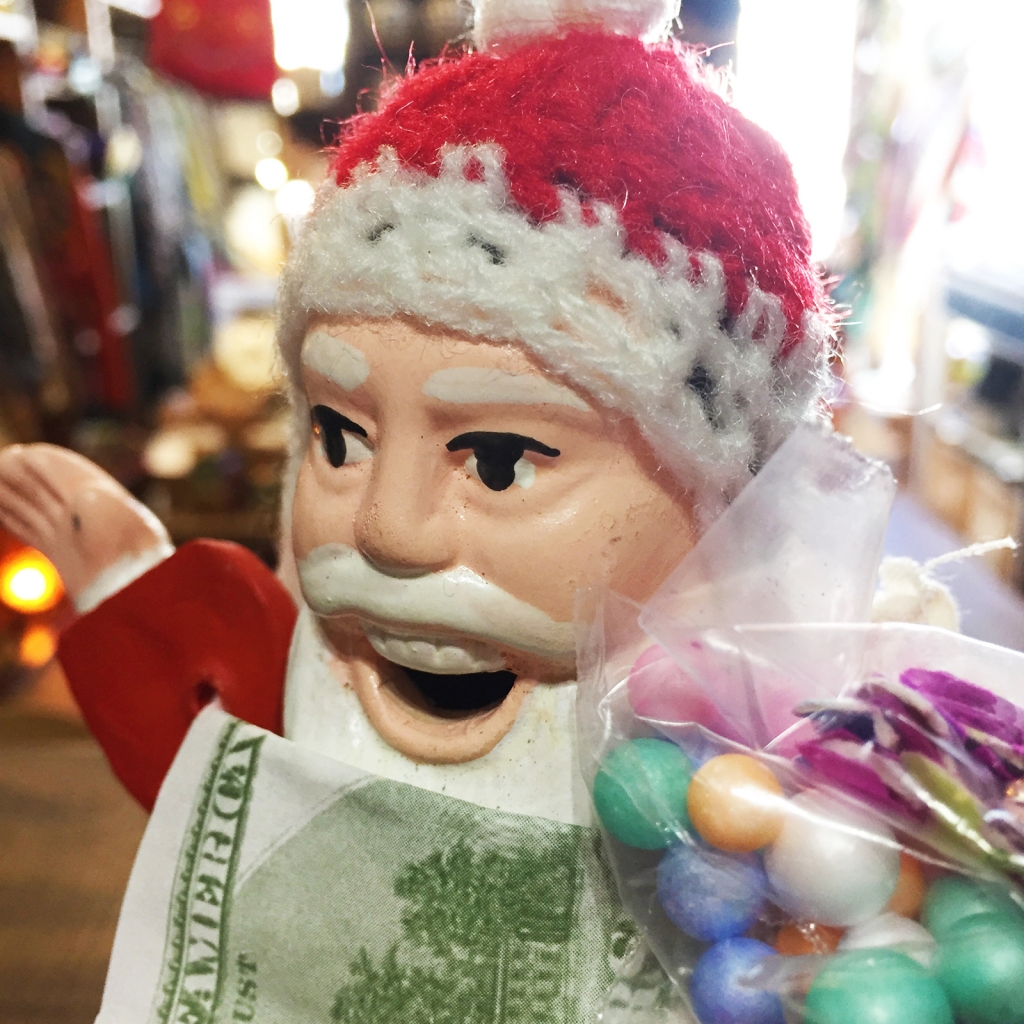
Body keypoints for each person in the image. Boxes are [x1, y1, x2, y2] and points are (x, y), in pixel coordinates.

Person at [0, 0, 833, 1017]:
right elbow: (212, 771)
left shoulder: (744, 756)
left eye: (497, 460)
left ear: (733, 505)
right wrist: (128, 580)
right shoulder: (317, 667)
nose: (387, 529)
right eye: (338, 438)